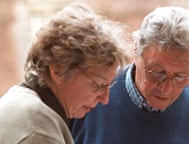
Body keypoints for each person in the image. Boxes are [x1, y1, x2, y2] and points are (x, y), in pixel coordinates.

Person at [70, 6, 189, 144]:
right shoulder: (88, 99)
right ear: (136, 50)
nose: (166, 89)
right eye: (157, 73)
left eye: (180, 77)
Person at [0, 1, 130, 144]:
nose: (105, 99)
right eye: (98, 85)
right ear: (58, 70)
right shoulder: (40, 132)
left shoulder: (20, 101)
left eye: (109, 86)